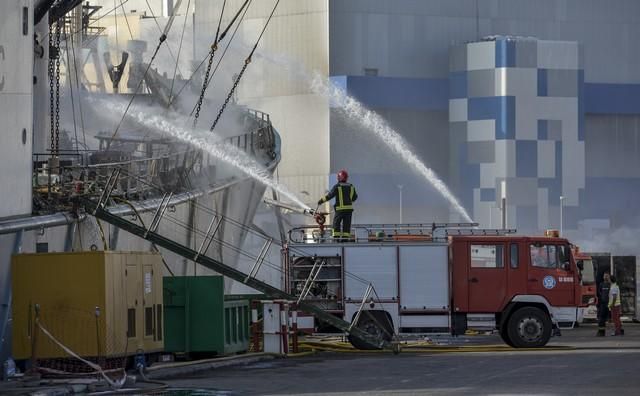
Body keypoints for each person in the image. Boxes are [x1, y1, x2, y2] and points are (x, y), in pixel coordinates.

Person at [318, 169, 357, 241]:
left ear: (339, 178)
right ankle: (345, 240)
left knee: (336, 224)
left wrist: (321, 201)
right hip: (349, 210)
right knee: (346, 225)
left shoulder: (337, 186)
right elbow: (354, 198)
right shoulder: (351, 186)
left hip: (340, 210)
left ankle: (336, 239)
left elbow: (329, 196)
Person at [596, 272, 611, 337]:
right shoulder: (601, 284)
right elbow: (599, 292)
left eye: (607, 276)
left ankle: (618, 331)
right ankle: (601, 332)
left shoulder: (610, 285)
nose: (605, 277)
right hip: (603, 303)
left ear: (609, 277)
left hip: (609, 304)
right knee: (601, 318)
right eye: (604, 276)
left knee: (613, 318)